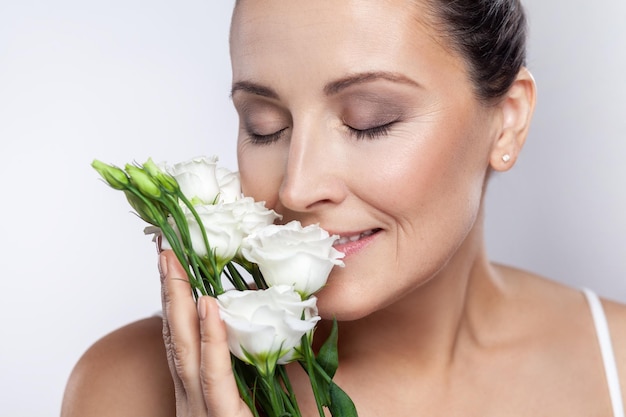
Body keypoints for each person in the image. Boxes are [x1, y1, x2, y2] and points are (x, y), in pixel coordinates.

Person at [61, 0, 626, 415]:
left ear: (507, 120)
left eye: (369, 120)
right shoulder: (127, 389)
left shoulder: (615, 362)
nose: (296, 188)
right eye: (265, 127)